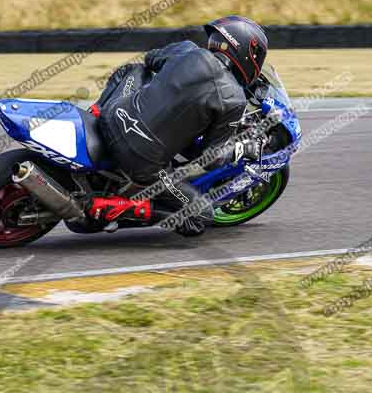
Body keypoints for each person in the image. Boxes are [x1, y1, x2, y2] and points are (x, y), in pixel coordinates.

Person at [95, 15, 269, 236]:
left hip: (111, 116)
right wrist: (244, 148)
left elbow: (150, 59)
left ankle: (93, 115)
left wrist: (172, 84)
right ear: (246, 52)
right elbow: (213, 159)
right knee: (201, 216)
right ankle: (120, 208)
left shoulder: (187, 50)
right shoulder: (234, 100)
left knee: (135, 70)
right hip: (141, 162)